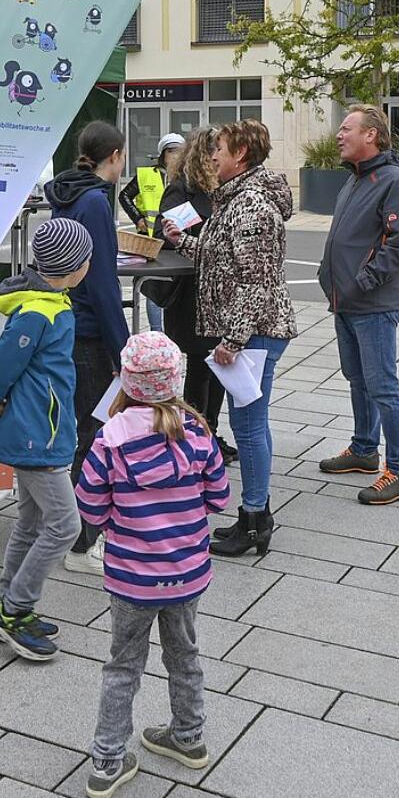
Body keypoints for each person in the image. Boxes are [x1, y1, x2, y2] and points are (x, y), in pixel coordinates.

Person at [75, 331, 229, 798]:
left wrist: (116, 522)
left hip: (131, 576)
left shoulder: (110, 438)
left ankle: (107, 760)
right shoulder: (199, 434)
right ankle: (188, 737)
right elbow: (219, 498)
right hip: (187, 572)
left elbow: (90, 505)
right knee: (185, 656)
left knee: (123, 665)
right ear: (175, 379)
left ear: (126, 380)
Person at [162, 119, 297, 557]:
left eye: (218, 149)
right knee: (247, 424)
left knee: (250, 427)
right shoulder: (233, 200)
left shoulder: (252, 205)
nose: (212, 156)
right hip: (248, 331)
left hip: (255, 333)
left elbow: (254, 281)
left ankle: (256, 518)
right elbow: (218, 258)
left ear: (240, 154)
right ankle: (254, 513)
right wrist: (182, 242)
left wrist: (233, 340)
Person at [0, 217, 93, 661]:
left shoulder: (52, 303)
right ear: (73, 266)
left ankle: (9, 607)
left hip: (41, 431)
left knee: (32, 524)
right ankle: (13, 610)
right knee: (65, 525)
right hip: (37, 438)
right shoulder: (40, 312)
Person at [317, 106, 399, 505]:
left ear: (372, 135)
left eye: (347, 129)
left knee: (383, 385)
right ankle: (363, 449)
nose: (339, 135)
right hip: (346, 300)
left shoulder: (392, 180)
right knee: (358, 379)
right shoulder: (355, 180)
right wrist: (334, 283)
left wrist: (363, 282)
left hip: (372, 302)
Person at [45, 122, 131, 574]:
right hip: (91, 330)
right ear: (114, 156)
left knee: (76, 426)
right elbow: (102, 283)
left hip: (67, 323)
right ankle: (82, 541)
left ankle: (67, 526)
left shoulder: (66, 192)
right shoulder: (96, 200)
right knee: (92, 430)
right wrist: (124, 348)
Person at [156, 126, 235, 463]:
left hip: (216, 291)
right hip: (190, 293)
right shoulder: (181, 191)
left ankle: (210, 431)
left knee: (215, 365)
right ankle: (196, 431)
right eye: (215, 151)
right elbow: (170, 235)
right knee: (202, 366)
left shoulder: (222, 190)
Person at [120, 133, 185, 332]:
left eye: (179, 152)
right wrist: (138, 219)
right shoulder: (146, 175)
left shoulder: (187, 176)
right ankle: (157, 332)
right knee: (154, 287)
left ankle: (174, 331)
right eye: (171, 151)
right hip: (151, 240)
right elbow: (125, 196)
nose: (175, 156)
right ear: (162, 154)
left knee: (176, 288)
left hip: (178, 240)